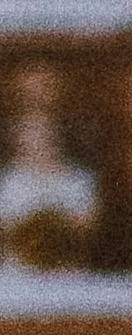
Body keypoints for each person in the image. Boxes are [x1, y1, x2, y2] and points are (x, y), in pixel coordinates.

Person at [0, 61, 104, 270]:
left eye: (46, 129)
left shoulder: (79, 181)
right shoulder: (7, 180)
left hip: (67, 274)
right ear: (16, 135)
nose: (38, 136)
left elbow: (86, 228)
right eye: (30, 129)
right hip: (18, 277)